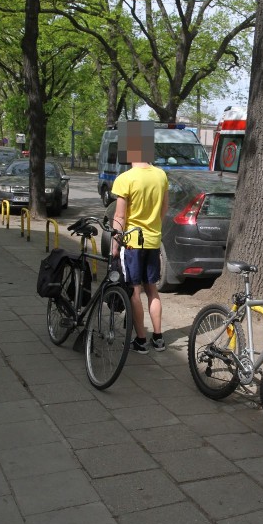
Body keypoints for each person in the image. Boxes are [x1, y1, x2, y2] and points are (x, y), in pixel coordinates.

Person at [110, 120, 170, 355]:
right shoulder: (161, 175)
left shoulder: (126, 178)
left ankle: (141, 340)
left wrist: (115, 246)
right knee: (152, 289)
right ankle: (158, 338)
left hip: (133, 244)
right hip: (153, 241)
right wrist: (154, 227)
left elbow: (119, 216)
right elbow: (165, 209)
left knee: (135, 291)